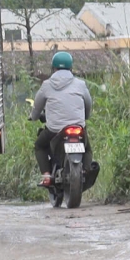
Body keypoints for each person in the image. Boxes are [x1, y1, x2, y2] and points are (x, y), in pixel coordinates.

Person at [31, 51, 94, 187]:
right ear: (71, 68)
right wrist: (86, 117)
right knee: (87, 149)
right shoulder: (80, 84)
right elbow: (88, 104)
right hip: (78, 128)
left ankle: (46, 176)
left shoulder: (46, 85)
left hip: (54, 130)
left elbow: (37, 107)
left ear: (53, 68)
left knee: (39, 146)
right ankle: (85, 171)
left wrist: (34, 117)